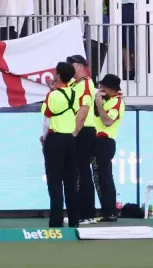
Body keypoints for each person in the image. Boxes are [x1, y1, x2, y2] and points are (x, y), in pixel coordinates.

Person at [40, 61, 80, 228]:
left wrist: (44, 137)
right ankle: (74, 220)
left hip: (55, 139)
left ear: (58, 75)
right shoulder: (73, 93)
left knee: (54, 181)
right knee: (71, 181)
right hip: (70, 140)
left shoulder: (53, 96)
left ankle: (56, 222)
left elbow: (46, 119)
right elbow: (75, 113)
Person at [65, 54, 99, 224]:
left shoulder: (86, 83)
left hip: (83, 131)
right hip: (77, 130)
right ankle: (79, 212)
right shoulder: (75, 84)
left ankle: (87, 213)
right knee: (77, 173)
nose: (69, 67)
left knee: (84, 172)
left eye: (70, 64)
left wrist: (74, 133)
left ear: (79, 65)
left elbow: (83, 112)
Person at [93, 74, 124, 222]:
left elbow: (107, 121)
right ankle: (106, 210)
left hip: (105, 141)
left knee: (104, 177)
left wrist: (99, 105)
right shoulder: (108, 100)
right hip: (98, 141)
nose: (100, 89)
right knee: (99, 177)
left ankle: (110, 211)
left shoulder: (117, 102)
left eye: (103, 87)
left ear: (110, 89)